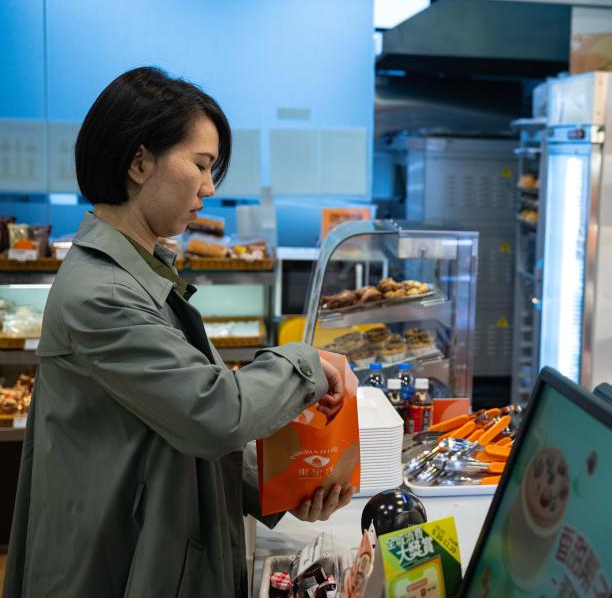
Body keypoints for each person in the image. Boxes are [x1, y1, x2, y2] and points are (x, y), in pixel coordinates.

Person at [3, 67, 356, 598]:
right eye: (201, 165)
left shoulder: (140, 277)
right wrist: (307, 363)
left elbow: (169, 428)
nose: (209, 188)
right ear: (140, 162)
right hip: (117, 566)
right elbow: (213, 413)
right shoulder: (102, 293)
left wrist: (282, 485)